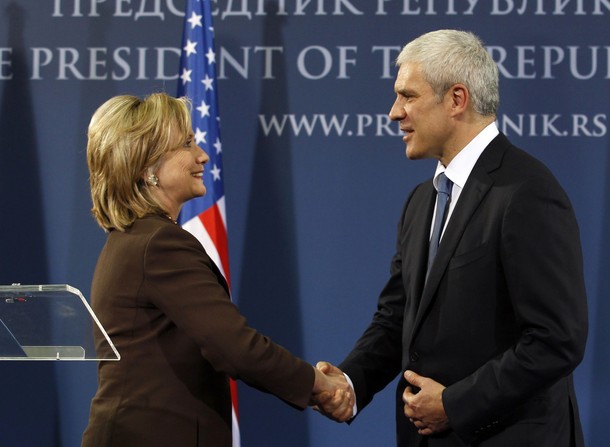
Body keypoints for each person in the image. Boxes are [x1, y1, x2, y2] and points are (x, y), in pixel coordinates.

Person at [316, 29, 588, 446]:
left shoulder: (525, 191)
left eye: (408, 96)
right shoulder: (421, 200)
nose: (394, 112)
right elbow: (398, 317)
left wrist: (455, 404)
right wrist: (351, 382)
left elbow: (557, 340)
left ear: (457, 99)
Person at [81, 92, 353, 447]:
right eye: (187, 144)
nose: (203, 156)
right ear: (147, 168)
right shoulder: (159, 245)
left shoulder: (130, 240)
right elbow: (235, 347)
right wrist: (318, 385)